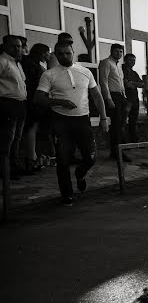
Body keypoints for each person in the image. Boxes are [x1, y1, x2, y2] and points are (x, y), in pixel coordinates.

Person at [34, 42, 109, 206]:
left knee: (91, 157)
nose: (64, 56)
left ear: (73, 52)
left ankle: (80, 173)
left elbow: (97, 96)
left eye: (68, 53)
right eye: (60, 54)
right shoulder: (49, 74)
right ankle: (66, 194)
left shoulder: (85, 71)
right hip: (61, 120)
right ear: (56, 55)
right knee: (63, 160)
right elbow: (38, 98)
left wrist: (103, 118)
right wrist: (60, 102)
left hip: (83, 120)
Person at [0, 35, 28, 184]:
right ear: (5, 46)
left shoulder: (17, 63)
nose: (17, 49)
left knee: (17, 137)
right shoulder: (2, 61)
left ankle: (14, 166)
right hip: (7, 104)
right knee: (7, 138)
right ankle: (5, 170)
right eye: (13, 46)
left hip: (20, 104)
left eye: (19, 46)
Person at [21, 43, 52, 173]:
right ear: (42, 52)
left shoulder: (35, 65)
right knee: (32, 129)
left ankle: (36, 157)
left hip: (37, 101)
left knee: (36, 129)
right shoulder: (31, 65)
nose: (49, 55)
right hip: (34, 102)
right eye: (48, 52)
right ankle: (31, 158)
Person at [98, 43, 130, 161]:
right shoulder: (106, 62)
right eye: (116, 51)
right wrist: (108, 99)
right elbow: (103, 82)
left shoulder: (118, 65)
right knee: (116, 125)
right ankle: (117, 153)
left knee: (121, 125)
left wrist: (125, 97)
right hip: (113, 96)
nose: (119, 54)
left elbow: (120, 83)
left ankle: (118, 151)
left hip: (121, 96)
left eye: (121, 52)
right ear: (111, 51)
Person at [122, 53, 143, 143]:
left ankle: (134, 141)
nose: (132, 62)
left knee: (133, 121)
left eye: (134, 60)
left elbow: (142, 84)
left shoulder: (134, 73)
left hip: (135, 99)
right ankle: (123, 142)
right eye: (130, 60)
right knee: (123, 121)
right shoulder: (121, 71)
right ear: (125, 60)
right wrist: (134, 83)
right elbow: (127, 85)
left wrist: (132, 83)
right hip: (126, 99)